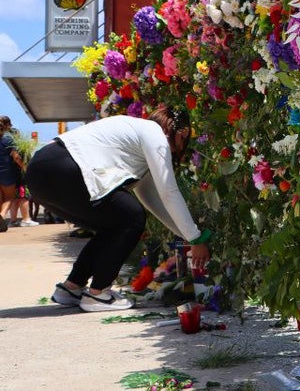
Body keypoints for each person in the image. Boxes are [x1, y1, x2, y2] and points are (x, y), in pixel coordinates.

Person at [24, 108, 211, 312]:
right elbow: (169, 192)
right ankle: (98, 294)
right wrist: (195, 238)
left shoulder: (139, 136)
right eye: (183, 141)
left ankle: (72, 287)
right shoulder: (154, 134)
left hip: (39, 171)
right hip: (64, 167)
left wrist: (186, 235)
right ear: (180, 132)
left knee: (115, 222)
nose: (179, 149)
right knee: (130, 217)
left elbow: (150, 199)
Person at [0, 116, 26, 233]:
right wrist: (24, 167)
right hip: (7, 172)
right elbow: (16, 157)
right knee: (9, 197)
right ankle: (2, 215)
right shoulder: (8, 139)